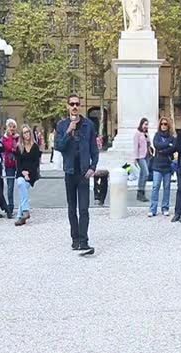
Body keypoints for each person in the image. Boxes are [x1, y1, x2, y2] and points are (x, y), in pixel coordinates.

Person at [54, 94, 99, 251]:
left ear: (80, 106)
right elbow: (59, 146)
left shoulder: (88, 125)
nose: (74, 106)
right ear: (67, 106)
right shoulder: (61, 125)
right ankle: (75, 239)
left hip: (84, 172)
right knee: (72, 208)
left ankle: (84, 239)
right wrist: (68, 131)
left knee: (84, 208)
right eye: (71, 104)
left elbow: (94, 149)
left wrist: (93, 167)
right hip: (70, 171)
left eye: (77, 104)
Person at [148, 117, 175, 217]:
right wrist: (167, 145)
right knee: (155, 187)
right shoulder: (157, 135)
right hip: (157, 165)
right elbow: (156, 145)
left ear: (168, 126)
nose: (163, 126)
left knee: (167, 187)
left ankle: (165, 208)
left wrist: (163, 149)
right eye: (162, 124)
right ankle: (153, 209)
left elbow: (173, 148)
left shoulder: (171, 137)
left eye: (165, 124)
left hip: (167, 165)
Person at [14, 124, 41, 226]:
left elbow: (35, 164)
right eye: (25, 132)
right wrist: (23, 173)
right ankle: (24, 212)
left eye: (28, 132)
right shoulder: (19, 147)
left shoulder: (35, 147)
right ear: (22, 135)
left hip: (31, 174)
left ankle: (21, 215)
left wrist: (28, 173)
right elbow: (18, 164)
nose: (27, 134)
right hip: (21, 173)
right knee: (21, 184)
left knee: (22, 188)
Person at [2, 119, 19, 212]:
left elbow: (17, 148)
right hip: (9, 164)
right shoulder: (4, 138)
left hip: (18, 163)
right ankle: (10, 206)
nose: (12, 128)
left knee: (21, 184)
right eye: (10, 126)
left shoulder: (18, 137)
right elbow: (9, 147)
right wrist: (11, 138)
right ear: (7, 127)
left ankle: (22, 206)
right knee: (10, 186)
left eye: (13, 127)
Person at [133, 118, 151, 202]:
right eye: (145, 124)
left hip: (147, 156)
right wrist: (135, 158)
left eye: (147, 124)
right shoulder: (137, 133)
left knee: (142, 174)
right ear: (141, 124)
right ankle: (141, 191)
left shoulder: (146, 134)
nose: (146, 126)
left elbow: (149, 144)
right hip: (140, 156)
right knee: (146, 173)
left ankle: (140, 194)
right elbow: (135, 146)